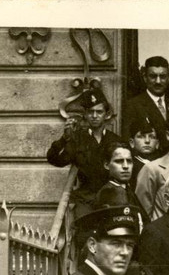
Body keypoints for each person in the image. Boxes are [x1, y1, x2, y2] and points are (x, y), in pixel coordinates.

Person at [46, 87, 122, 219]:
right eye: (90, 112)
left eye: (99, 112)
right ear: (85, 114)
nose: (94, 116)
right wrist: (64, 138)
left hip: (110, 199)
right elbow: (55, 160)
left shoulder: (115, 140)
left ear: (106, 114)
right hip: (85, 201)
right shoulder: (78, 139)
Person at [123, 55, 169, 141]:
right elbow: (128, 140)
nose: (158, 81)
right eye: (153, 76)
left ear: (168, 78)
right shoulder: (133, 105)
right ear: (145, 78)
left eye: (162, 76)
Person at [127, 115, 162, 190]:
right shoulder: (128, 166)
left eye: (152, 137)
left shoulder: (164, 164)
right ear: (132, 143)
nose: (147, 141)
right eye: (141, 136)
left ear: (157, 144)